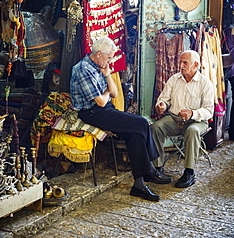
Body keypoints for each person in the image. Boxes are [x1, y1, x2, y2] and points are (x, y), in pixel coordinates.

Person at [70, 36, 171, 202]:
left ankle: (139, 184)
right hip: (92, 113)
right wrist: (107, 92)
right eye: (109, 57)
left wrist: (108, 76)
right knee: (142, 122)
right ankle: (151, 170)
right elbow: (101, 102)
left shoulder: (100, 66)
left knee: (136, 135)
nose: (110, 60)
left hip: (104, 109)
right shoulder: (83, 69)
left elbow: (115, 93)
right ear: (99, 54)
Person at [151, 50, 214, 188]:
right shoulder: (174, 79)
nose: (181, 65)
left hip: (197, 121)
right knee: (156, 127)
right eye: (180, 62)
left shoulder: (205, 83)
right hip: (174, 119)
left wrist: (192, 113)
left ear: (196, 65)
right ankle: (157, 168)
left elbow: (209, 111)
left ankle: (189, 172)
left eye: (185, 62)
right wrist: (161, 105)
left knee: (192, 131)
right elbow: (164, 99)